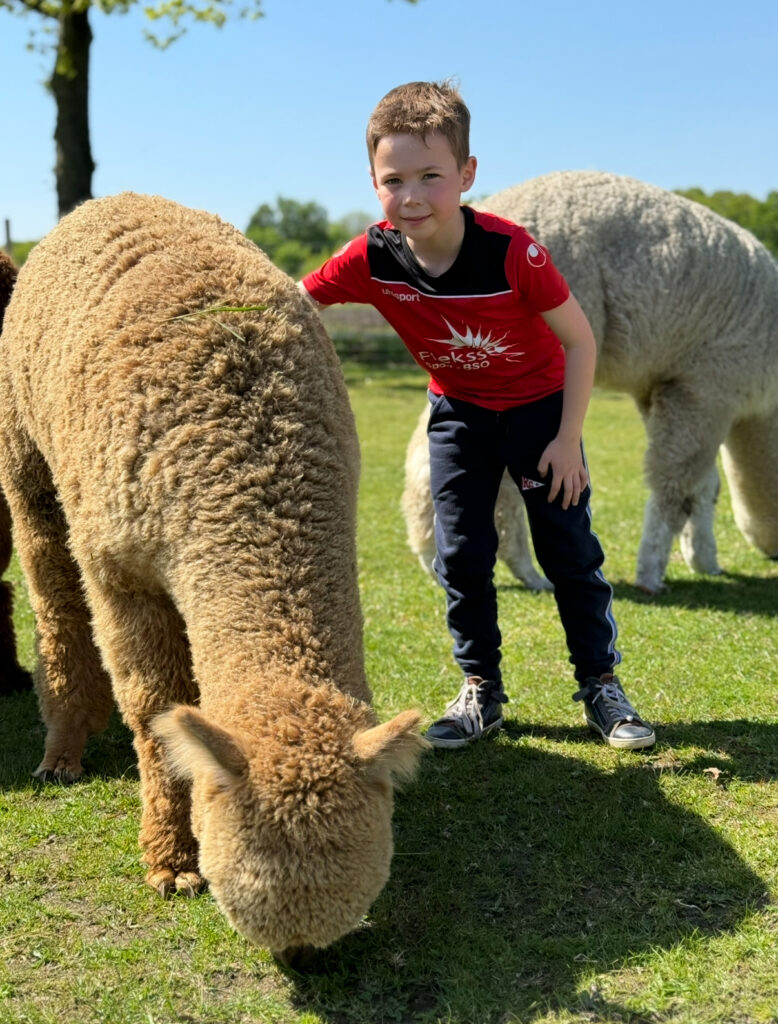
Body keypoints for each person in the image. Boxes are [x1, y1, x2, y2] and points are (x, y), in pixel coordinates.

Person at [299, 80, 655, 752]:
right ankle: (479, 691)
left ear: (466, 174)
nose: (411, 196)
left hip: (540, 414)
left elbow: (580, 341)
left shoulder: (513, 253)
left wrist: (569, 442)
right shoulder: (371, 256)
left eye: (431, 176)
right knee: (461, 555)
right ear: (373, 180)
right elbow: (294, 301)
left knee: (568, 553)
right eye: (393, 178)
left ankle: (602, 687)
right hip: (458, 415)